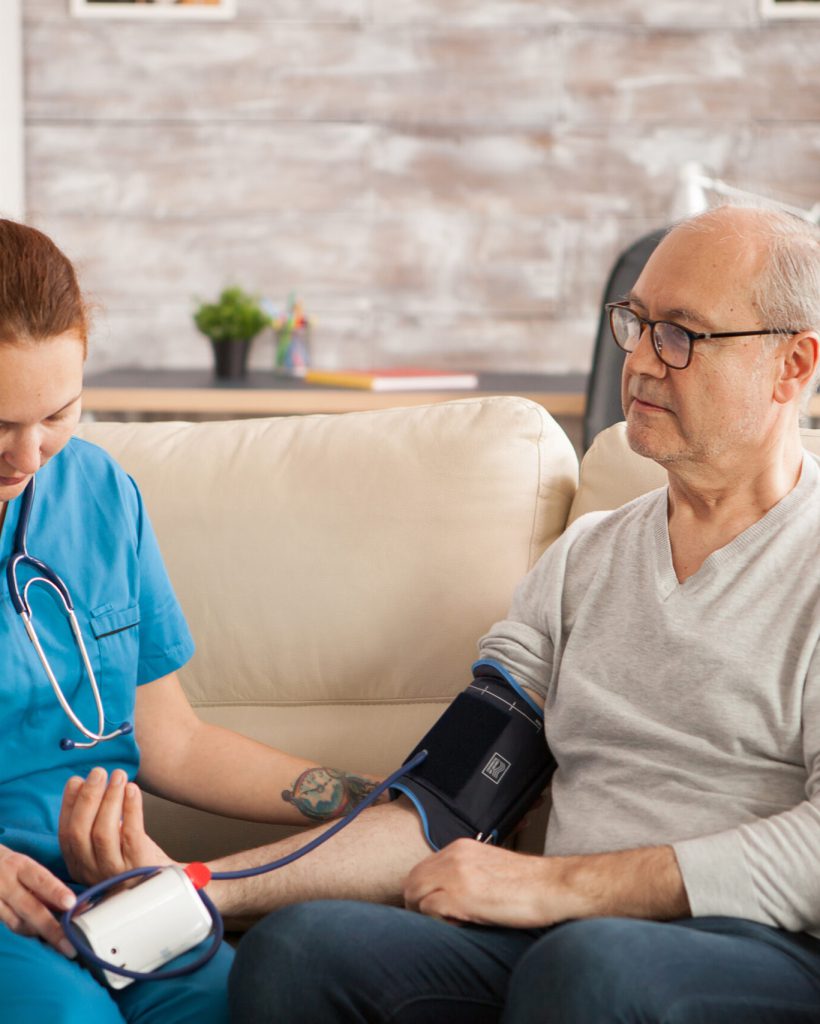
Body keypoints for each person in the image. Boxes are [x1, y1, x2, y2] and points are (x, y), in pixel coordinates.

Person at [201, 203, 820, 1023]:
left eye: (681, 334)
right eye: (634, 323)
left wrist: (560, 887)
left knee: (588, 967)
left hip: (756, 951)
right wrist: (198, 888)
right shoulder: (586, 559)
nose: (640, 360)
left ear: (793, 365)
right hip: (558, 943)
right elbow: (447, 805)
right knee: (299, 950)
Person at [0, 218, 385, 1024]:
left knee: (249, 1003)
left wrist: (373, 802)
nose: (30, 457)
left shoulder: (102, 493)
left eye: (58, 415)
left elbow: (171, 740)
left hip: (115, 884)